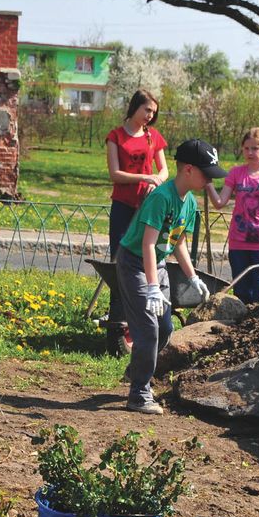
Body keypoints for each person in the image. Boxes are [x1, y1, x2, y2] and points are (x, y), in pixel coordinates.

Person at [115, 139, 222, 415]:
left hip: (157, 265)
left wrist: (193, 276)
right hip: (135, 264)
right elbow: (148, 244)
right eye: (206, 173)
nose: (210, 179)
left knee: (165, 329)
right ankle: (139, 393)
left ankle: (138, 369)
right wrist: (152, 288)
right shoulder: (161, 198)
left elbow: (178, 243)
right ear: (188, 169)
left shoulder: (188, 203)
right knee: (148, 329)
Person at [104, 90, 168, 355]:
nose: (150, 116)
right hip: (123, 207)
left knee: (145, 260)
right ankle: (118, 326)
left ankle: (142, 324)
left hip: (147, 208)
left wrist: (156, 180)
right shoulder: (116, 136)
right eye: (147, 110)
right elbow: (115, 174)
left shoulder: (154, 137)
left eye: (153, 112)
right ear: (134, 108)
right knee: (120, 263)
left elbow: (164, 170)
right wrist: (144, 178)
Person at [206, 127, 259, 304]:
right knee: (241, 292)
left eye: (255, 148)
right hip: (238, 242)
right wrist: (208, 184)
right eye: (246, 148)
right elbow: (220, 203)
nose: (250, 152)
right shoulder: (236, 173)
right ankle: (243, 330)